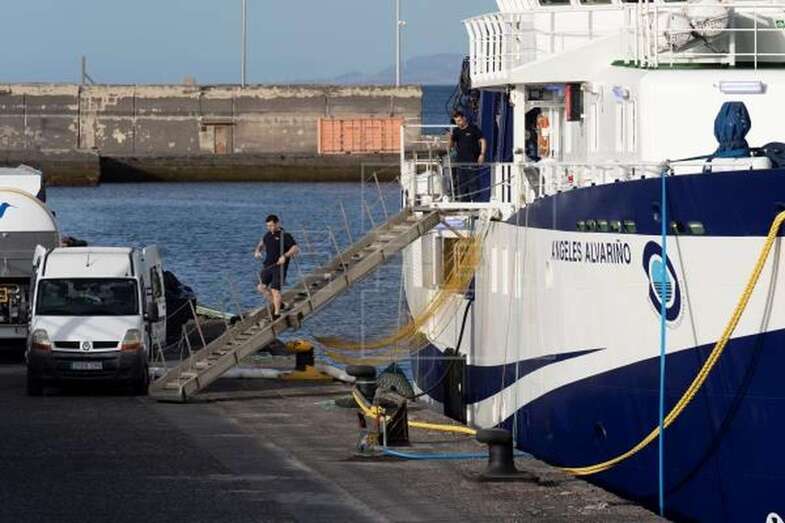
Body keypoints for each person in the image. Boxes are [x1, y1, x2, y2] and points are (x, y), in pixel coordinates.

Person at [254, 215, 300, 318]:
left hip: (279, 267)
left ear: (277, 223)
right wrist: (257, 251)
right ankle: (281, 304)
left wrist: (284, 256)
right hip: (267, 266)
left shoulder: (285, 235)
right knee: (261, 287)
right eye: (268, 226)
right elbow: (261, 243)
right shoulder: (267, 235)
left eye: (271, 225)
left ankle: (277, 314)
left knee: (275, 290)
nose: (270, 228)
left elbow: (295, 248)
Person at [448, 110, 487, 202]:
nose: (458, 123)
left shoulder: (473, 129)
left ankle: (475, 203)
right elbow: (450, 146)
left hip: (472, 161)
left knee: (473, 183)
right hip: (461, 162)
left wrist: (482, 154)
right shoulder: (456, 131)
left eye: (459, 121)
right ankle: (464, 204)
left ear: (464, 118)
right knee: (462, 184)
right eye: (456, 121)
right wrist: (450, 138)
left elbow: (483, 140)